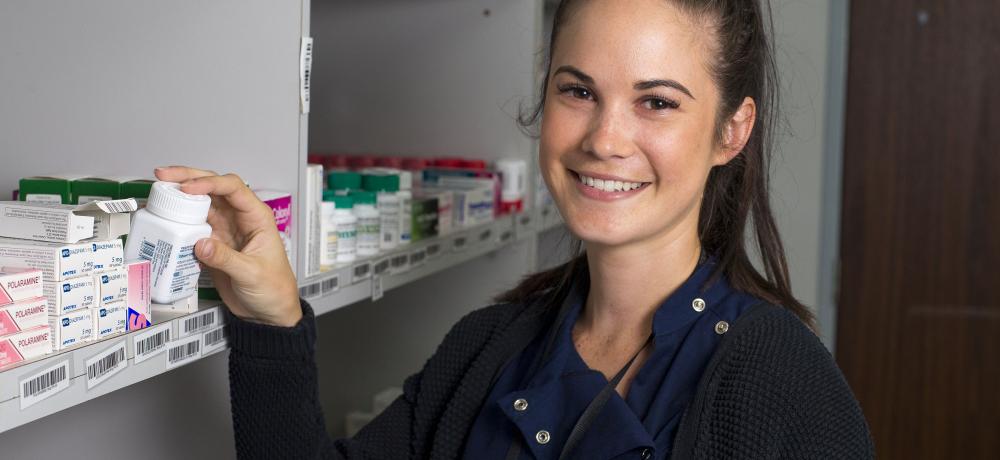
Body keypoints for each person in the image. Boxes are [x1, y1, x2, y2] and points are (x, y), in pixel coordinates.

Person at [156, 0, 874, 458]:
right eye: (579, 91)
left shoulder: (778, 382)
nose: (604, 138)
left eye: (656, 102)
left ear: (731, 131)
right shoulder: (487, 348)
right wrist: (271, 320)